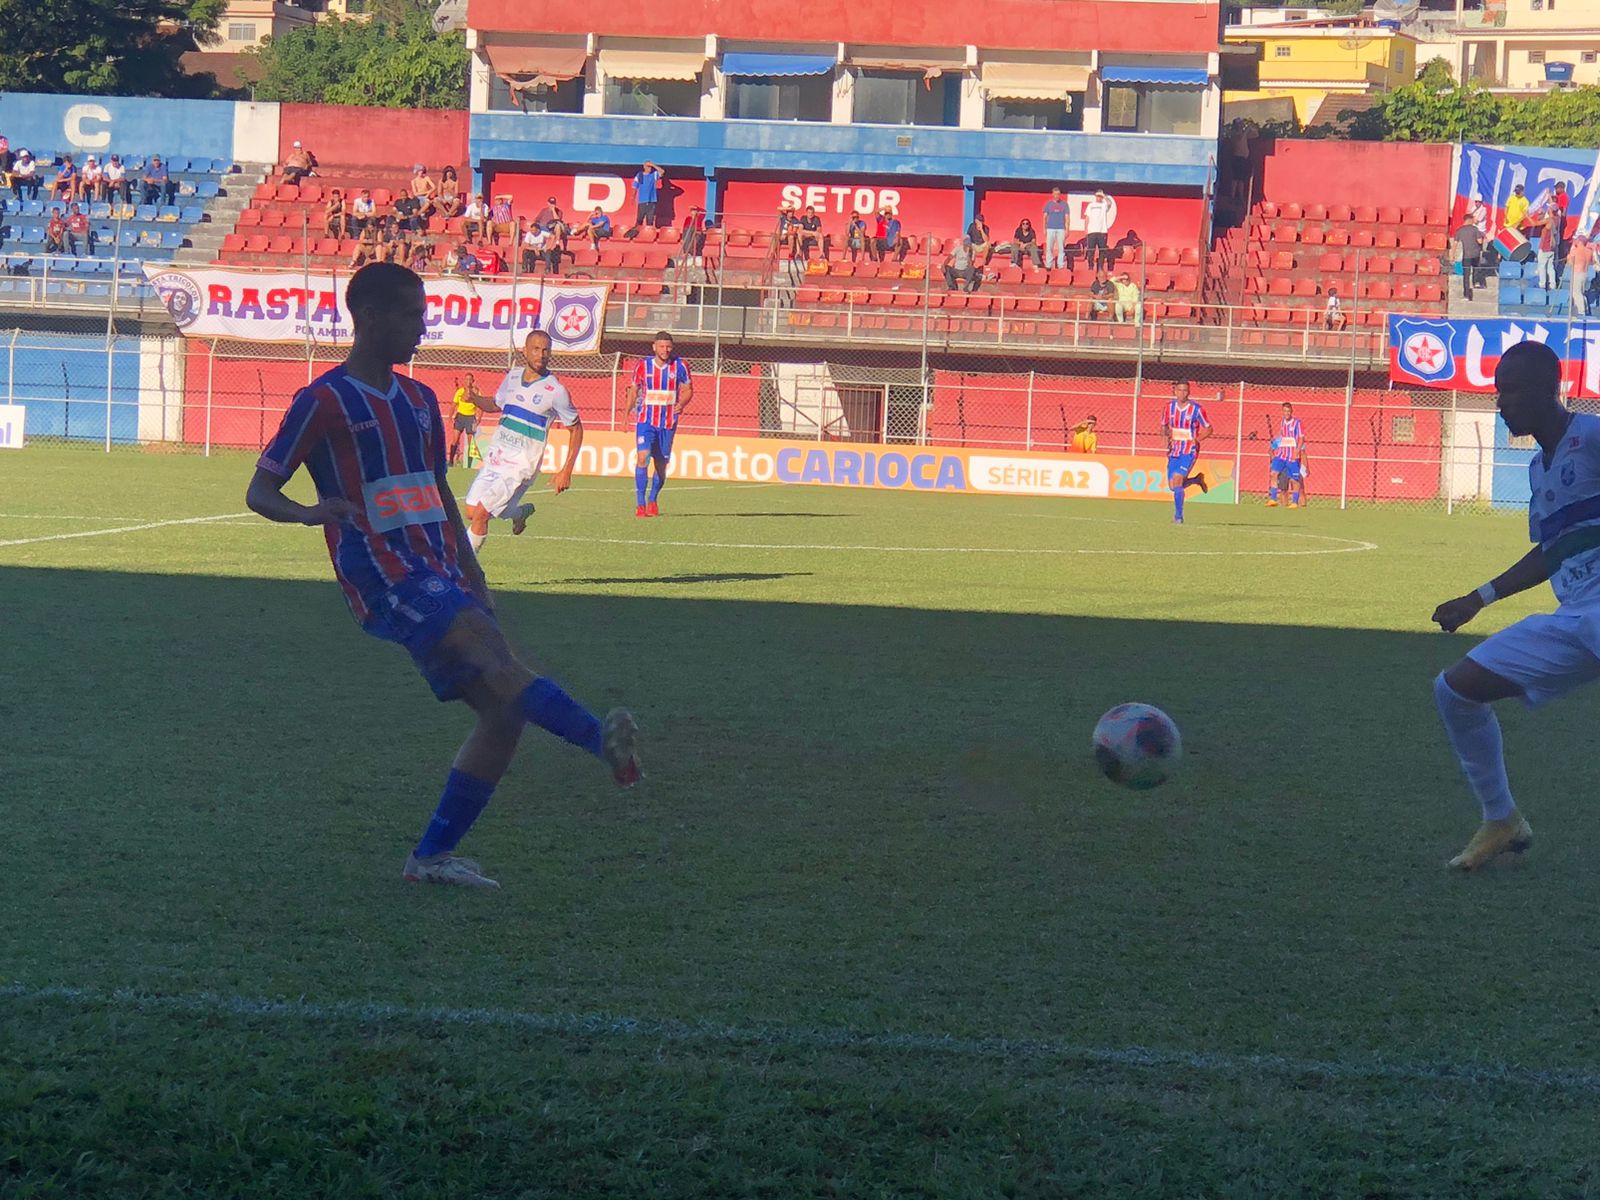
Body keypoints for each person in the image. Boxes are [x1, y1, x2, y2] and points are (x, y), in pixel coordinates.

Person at [244, 261, 642, 890]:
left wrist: (473, 572)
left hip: (440, 570)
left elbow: (439, 493)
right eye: (411, 313)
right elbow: (260, 490)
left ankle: (429, 858)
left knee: (502, 712)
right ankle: (601, 742)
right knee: (497, 662)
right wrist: (309, 513)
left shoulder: (423, 401)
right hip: (382, 573)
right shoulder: (322, 401)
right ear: (370, 317)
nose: (422, 326)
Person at [1427, 338, 1600, 871]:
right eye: (1497, 392)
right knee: (1456, 690)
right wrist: (1478, 599)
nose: (1500, 403)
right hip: (1577, 618)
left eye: (1511, 392)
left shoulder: (1593, 437)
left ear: (1549, 390)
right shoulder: (1538, 471)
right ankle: (1501, 819)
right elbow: (1551, 552)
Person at [462, 330, 583, 553]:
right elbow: (496, 405)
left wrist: (566, 470)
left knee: (480, 515)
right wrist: (475, 398)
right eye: (536, 349)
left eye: (546, 350)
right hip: (496, 458)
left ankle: (464, 572)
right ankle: (519, 513)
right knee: (470, 511)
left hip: (521, 465)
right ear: (525, 351)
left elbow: (576, 429)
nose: (541, 354)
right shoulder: (513, 377)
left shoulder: (556, 391)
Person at [632, 331, 692, 518]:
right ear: (654, 347)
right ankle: (640, 504)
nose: (665, 350)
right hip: (645, 420)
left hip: (667, 423)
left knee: (661, 465)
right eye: (661, 346)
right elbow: (634, 390)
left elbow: (689, 389)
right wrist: (625, 414)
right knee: (643, 457)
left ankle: (653, 499)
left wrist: (681, 404)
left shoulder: (680, 365)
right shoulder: (642, 366)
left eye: (668, 347)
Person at [1161, 381, 1211, 524]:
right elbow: (1164, 426)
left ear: (1188, 392)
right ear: (1174, 391)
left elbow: (1208, 428)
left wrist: (1197, 439)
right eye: (1179, 390)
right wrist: (1166, 438)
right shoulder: (1168, 408)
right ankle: (1196, 480)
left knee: (1177, 481)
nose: (1182, 393)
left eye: (1185, 391)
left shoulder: (1196, 409)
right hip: (1175, 450)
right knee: (1173, 486)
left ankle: (1178, 517)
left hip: (1189, 451)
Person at [1266, 402, 1305, 508]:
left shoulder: (1297, 423)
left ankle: (1294, 502)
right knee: (1273, 474)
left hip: (1292, 455)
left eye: (1288, 411)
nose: (1286, 413)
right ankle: (1273, 499)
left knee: (1294, 479)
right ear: (1282, 412)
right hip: (1282, 455)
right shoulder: (1282, 422)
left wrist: (1297, 450)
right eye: (1285, 411)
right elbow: (1282, 437)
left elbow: (1301, 438)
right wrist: (1275, 447)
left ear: (1291, 411)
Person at [450, 374, 481, 465]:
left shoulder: (476, 392)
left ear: (473, 381)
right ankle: (451, 461)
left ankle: (469, 464)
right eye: (466, 379)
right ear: (464, 381)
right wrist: (450, 416)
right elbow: (454, 405)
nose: (468, 381)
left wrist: (479, 418)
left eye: (470, 380)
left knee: (471, 442)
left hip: (471, 418)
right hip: (460, 417)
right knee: (455, 439)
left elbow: (480, 406)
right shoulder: (460, 392)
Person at [1454, 215, 1484, 301]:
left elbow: (1455, 244)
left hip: (1465, 255)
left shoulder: (1459, 230)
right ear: (1470, 220)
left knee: (1466, 276)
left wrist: (1452, 255)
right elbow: (1480, 241)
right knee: (1476, 268)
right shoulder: (1475, 229)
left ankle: (1466, 295)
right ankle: (1476, 282)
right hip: (1475, 254)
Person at [1084, 190, 1113, 271]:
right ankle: (1090, 267)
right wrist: (1086, 229)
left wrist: (1104, 196)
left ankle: (1100, 267)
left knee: (1102, 251)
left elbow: (1110, 203)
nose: (1099, 198)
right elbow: (1087, 217)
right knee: (1091, 251)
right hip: (1092, 231)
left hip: (1102, 231)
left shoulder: (1104, 205)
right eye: (1097, 196)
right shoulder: (1091, 205)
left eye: (1100, 196)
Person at [1042, 187, 1070, 270]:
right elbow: (1045, 217)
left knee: (1061, 248)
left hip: (1061, 228)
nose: (1057, 196)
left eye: (1058, 194)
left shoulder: (1064, 204)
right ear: (1052, 194)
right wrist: (1044, 228)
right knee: (1049, 248)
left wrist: (1067, 229)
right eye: (1055, 194)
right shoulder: (1048, 204)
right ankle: (1048, 265)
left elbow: (1067, 217)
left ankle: (1060, 265)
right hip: (1050, 228)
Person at [1568, 233, 1594, 317]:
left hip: (1577, 273)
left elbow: (1570, 263)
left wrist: (1569, 257)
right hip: (1585, 274)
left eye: (1576, 240)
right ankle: (1586, 308)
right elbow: (1592, 261)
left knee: (1576, 293)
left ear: (1579, 241)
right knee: (1581, 292)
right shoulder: (1589, 251)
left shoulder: (1575, 251)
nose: (1574, 241)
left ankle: (1581, 311)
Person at [632, 161, 664, 227]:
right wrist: (633, 197)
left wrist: (653, 165)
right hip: (642, 201)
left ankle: (648, 235)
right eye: (648, 167)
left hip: (651, 201)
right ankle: (636, 233)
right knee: (639, 219)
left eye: (650, 167)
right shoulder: (639, 175)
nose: (649, 169)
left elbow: (662, 171)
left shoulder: (653, 175)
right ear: (644, 167)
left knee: (650, 220)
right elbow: (635, 187)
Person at [1535, 209, 1559, 292]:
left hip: (1545, 248)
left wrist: (1526, 216)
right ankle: (1553, 285)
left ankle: (1542, 285)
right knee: (1550, 267)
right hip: (1551, 249)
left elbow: (1535, 223)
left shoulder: (1549, 220)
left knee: (1541, 267)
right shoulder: (1556, 219)